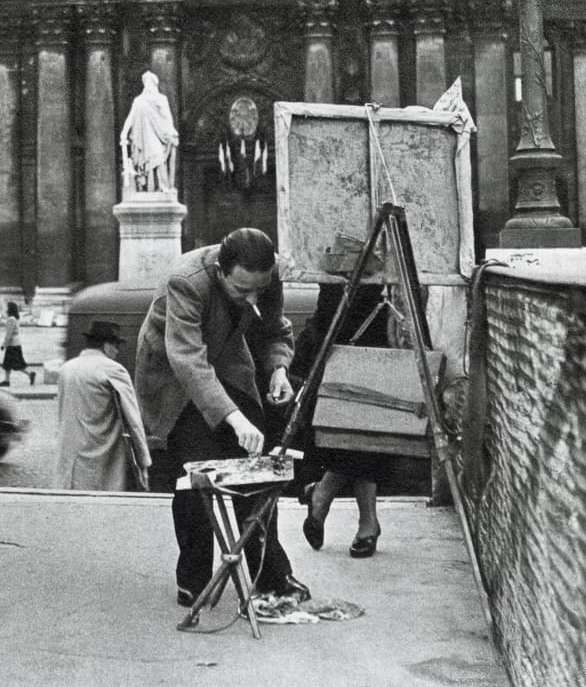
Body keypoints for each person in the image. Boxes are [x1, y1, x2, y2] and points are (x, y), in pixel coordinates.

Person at [135, 228, 310, 606]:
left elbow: (273, 329)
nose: (252, 299)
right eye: (241, 291)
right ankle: (194, 578)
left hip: (227, 363)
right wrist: (234, 417)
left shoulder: (265, 276)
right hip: (173, 375)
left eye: (258, 291)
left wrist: (278, 368)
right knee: (198, 473)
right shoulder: (185, 281)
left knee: (258, 470)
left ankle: (270, 576)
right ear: (218, 271)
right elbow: (189, 360)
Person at [291, 282, 391, 558]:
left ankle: (323, 494)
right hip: (338, 316)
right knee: (347, 420)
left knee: (368, 422)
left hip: (378, 316)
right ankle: (367, 521)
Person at [55, 320, 151, 491]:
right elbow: (133, 420)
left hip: (68, 455)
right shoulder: (113, 369)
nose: (117, 351)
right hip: (101, 457)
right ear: (107, 346)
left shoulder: (66, 369)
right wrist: (143, 462)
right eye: (116, 346)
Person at [119, 70, 178, 192]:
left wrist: (171, 131)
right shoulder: (138, 100)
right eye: (145, 82)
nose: (148, 85)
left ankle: (162, 187)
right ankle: (147, 189)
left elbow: (167, 117)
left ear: (154, 84)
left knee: (159, 158)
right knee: (146, 163)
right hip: (143, 137)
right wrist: (124, 132)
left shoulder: (162, 99)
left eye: (150, 82)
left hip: (158, 135)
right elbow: (131, 117)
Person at [0, 301, 34, 386]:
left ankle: (29, 374)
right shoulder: (15, 318)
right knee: (8, 364)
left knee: (16, 364)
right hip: (15, 344)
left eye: (6, 307)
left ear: (9, 309)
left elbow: (9, 334)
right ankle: (7, 380)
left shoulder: (11, 319)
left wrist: (4, 345)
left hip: (12, 345)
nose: (5, 309)